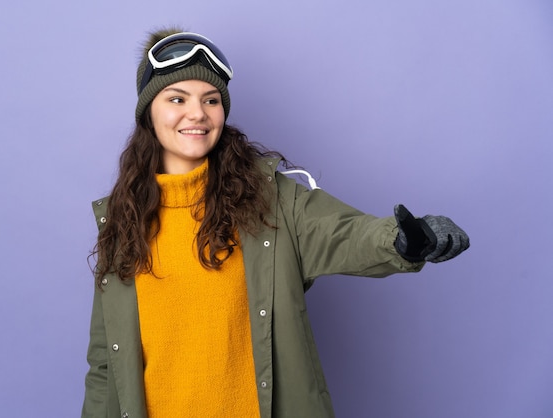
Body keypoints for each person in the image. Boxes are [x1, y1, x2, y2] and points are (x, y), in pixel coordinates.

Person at [81, 28, 470, 418]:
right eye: (177, 98)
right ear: (149, 111)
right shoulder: (122, 222)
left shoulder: (270, 200)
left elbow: (343, 234)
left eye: (211, 100)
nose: (197, 113)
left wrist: (403, 239)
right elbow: (104, 366)